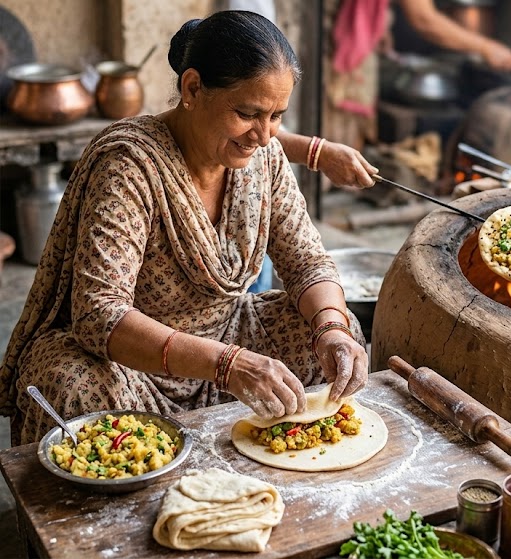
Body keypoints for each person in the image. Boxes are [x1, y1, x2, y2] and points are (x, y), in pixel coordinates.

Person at [0, 10, 379, 446]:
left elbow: (307, 263)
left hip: (227, 334)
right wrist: (227, 365)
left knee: (330, 334)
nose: (263, 134)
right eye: (248, 113)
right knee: (70, 386)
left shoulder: (264, 159)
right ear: (193, 88)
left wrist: (330, 328)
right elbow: (99, 314)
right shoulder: (129, 167)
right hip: (131, 363)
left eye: (276, 116)